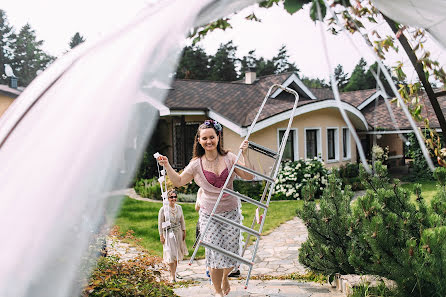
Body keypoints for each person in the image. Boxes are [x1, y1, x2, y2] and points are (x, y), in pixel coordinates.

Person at [157, 119, 253, 297]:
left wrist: (244, 154)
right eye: (204, 138)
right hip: (209, 215)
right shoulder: (196, 164)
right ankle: (218, 293)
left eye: (212, 137)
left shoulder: (230, 158)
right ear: (199, 141)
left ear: (218, 137)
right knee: (215, 255)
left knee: (232, 254)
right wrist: (167, 165)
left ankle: (225, 278)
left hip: (231, 212)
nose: (209, 141)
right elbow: (178, 181)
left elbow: (248, 176)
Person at [158, 189, 188, 283]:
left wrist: (184, 231)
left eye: (175, 197)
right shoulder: (163, 209)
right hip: (168, 234)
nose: (173, 199)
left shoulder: (179, 207)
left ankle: (175, 272)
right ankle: (172, 276)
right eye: (171, 197)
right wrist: (161, 235)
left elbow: (182, 220)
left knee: (177, 254)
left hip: (178, 232)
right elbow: (160, 223)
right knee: (171, 254)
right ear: (167, 198)